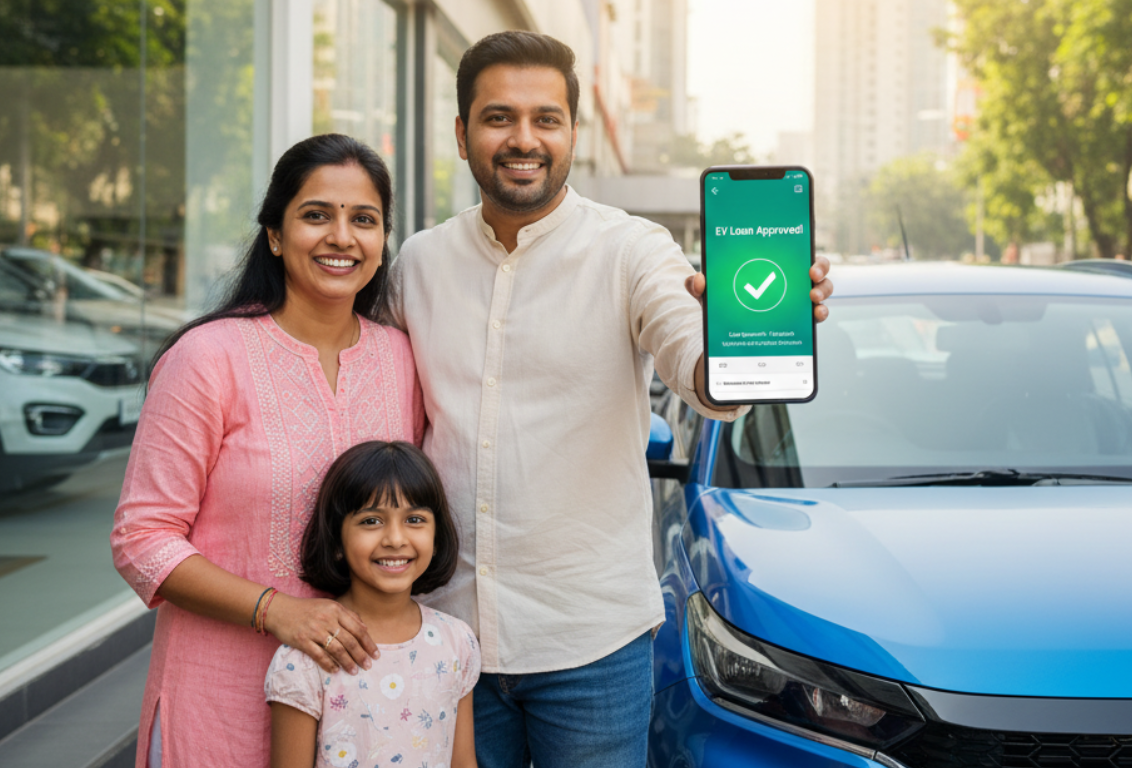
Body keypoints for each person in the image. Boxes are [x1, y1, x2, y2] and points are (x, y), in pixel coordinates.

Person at [389, 31, 832, 767]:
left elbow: (691, 360)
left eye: (546, 119)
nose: (523, 139)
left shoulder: (633, 251)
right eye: (499, 118)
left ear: (572, 132)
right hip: (446, 639)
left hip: (590, 648)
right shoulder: (417, 264)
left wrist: (742, 343)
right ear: (462, 134)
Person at [111, 134, 423, 768]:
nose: (342, 237)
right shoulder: (207, 359)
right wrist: (272, 611)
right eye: (317, 215)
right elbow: (142, 538)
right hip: (220, 695)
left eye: (363, 220)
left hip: (362, 709)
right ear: (276, 235)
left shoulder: (401, 360)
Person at [266, 440, 479, 768]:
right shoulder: (307, 656)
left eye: (415, 520)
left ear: (437, 538)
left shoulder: (457, 643)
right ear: (337, 540)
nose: (395, 539)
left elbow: (463, 762)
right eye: (371, 521)